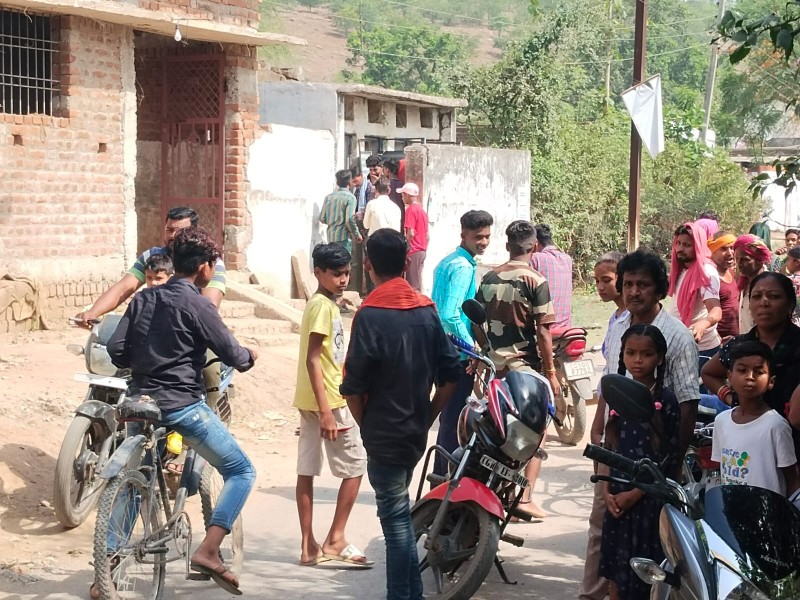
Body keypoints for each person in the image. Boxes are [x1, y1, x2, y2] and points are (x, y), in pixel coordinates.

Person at [105, 227, 258, 595]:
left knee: (134, 479)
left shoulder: (143, 298)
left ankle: (105, 568)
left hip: (140, 404)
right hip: (181, 407)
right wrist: (249, 355)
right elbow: (233, 354)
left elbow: (117, 350)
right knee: (241, 470)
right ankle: (209, 550)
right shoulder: (200, 304)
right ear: (204, 267)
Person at [340, 228, 461, 600]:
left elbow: (352, 387)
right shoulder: (426, 310)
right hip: (412, 433)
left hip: (383, 433)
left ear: (368, 264)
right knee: (399, 520)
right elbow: (451, 375)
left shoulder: (370, 314)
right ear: (407, 263)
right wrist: (427, 416)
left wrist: (366, 425)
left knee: (395, 525)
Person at [475, 220, 560, 520]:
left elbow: (476, 322)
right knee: (537, 431)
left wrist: (487, 350)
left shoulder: (489, 278)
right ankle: (523, 496)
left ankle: (497, 491)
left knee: (498, 430)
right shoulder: (536, 281)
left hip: (494, 370)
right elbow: (544, 332)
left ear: (507, 245)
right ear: (535, 246)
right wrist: (551, 373)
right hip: (526, 371)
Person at [293, 243, 370, 568]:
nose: (343, 280)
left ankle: (308, 546)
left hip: (311, 398)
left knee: (307, 470)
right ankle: (335, 538)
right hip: (329, 401)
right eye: (336, 274)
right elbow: (313, 359)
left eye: (346, 273)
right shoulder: (322, 307)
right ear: (318, 273)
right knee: (355, 466)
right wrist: (327, 411)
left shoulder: (321, 304)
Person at [599, 324, 680, 600]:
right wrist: (606, 492)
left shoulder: (666, 400)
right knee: (615, 575)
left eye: (646, 354)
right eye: (631, 353)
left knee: (645, 576)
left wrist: (634, 494)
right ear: (622, 355)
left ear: (659, 357)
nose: (637, 360)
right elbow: (609, 447)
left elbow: (668, 459)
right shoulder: (617, 393)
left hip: (648, 502)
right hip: (616, 497)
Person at [602, 250, 699, 459]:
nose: (634, 292)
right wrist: (597, 432)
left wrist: (674, 462)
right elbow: (609, 381)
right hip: (615, 448)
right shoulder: (617, 328)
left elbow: (688, 406)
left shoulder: (679, 337)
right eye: (628, 284)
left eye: (643, 285)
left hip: (655, 454)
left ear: (658, 291)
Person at [75, 206, 227, 326]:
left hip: (188, 329)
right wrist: (93, 312)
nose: (173, 235)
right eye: (169, 230)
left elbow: (209, 306)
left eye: (180, 231)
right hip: (152, 327)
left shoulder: (209, 262)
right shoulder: (152, 256)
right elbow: (123, 288)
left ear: (193, 233)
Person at [702, 272, 800, 456]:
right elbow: (708, 373)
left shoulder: (797, 344)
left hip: (792, 442)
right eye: (756, 296)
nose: (764, 302)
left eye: (774, 296)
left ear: (790, 304)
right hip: (748, 441)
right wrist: (731, 398)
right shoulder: (740, 345)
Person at [430, 209, 493, 476]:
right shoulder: (463, 268)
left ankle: (439, 476)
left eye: (487, 236)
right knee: (456, 421)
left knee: (448, 418)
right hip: (457, 355)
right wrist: (472, 349)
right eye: (478, 237)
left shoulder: (447, 261)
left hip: (442, 349)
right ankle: (445, 480)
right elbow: (450, 314)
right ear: (464, 235)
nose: (483, 242)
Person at [580, 251, 626, 600]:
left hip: (629, 432)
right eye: (597, 281)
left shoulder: (638, 324)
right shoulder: (615, 319)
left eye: (606, 280)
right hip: (608, 426)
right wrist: (597, 423)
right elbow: (607, 379)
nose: (600, 287)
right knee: (600, 517)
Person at [712, 341, 800, 496]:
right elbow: (722, 470)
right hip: (733, 507)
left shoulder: (775, 425)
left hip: (768, 509)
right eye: (742, 370)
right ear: (730, 377)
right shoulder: (721, 421)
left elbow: (792, 479)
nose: (750, 377)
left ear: (771, 382)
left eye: (759, 372)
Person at [668, 223, 722, 376]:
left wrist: (703, 324)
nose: (680, 248)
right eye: (678, 243)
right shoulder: (683, 269)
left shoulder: (705, 272)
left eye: (687, 245)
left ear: (698, 246)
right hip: (681, 344)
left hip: (701, 349)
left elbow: (716, 311)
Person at [530, 223, 573, 329]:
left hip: (544, 328)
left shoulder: (535, 258)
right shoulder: (567, 259)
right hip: (566, 327)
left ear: (535, 243)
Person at [733, 234, 771, 334]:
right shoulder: (744, 283)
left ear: (759, 260)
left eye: (745, 259)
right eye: (737, 259)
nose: (739, 264)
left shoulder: (770, 286)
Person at [320, 169, 362, 254]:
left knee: (333, 260)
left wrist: (333, 221)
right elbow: (349, 220)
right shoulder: (350, 198)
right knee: (343, 261)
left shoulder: (328, 197)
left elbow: (322, 218)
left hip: (330, 237)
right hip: (343, 239)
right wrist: (357, 234)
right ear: (350, 181)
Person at [350, 165, 376, 295]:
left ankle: (371, 288)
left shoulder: (369, 187)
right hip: (360, 228)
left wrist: (359, 214)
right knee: (362, 260)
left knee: (369, 259)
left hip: (368, 228)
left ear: (361, 175)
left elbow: (369, 207)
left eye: (356, 180)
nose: (354, 183)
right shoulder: (357, 190)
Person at [708, 232, 739, 338]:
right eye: (724, 249)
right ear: (713, 250)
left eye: (732, 248)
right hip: (719, 341)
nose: (730, 253)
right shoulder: (710, 277)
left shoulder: (731, 272)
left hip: (736, 340)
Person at [399, 182, 429, 292]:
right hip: (422, 250)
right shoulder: (422, 211)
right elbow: (427, 236)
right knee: (417, 281)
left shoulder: (411, 210)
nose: (402, 198)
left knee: (413, 285)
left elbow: (410, 233)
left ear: (407, 195)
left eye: (402, 195)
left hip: (414, 250)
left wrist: (406, 248)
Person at [381, 158, 405, 231]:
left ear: (387, 170)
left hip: (386, 220)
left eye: (383, 169)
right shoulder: (403, 185)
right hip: (400, 220)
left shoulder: (385, 185)